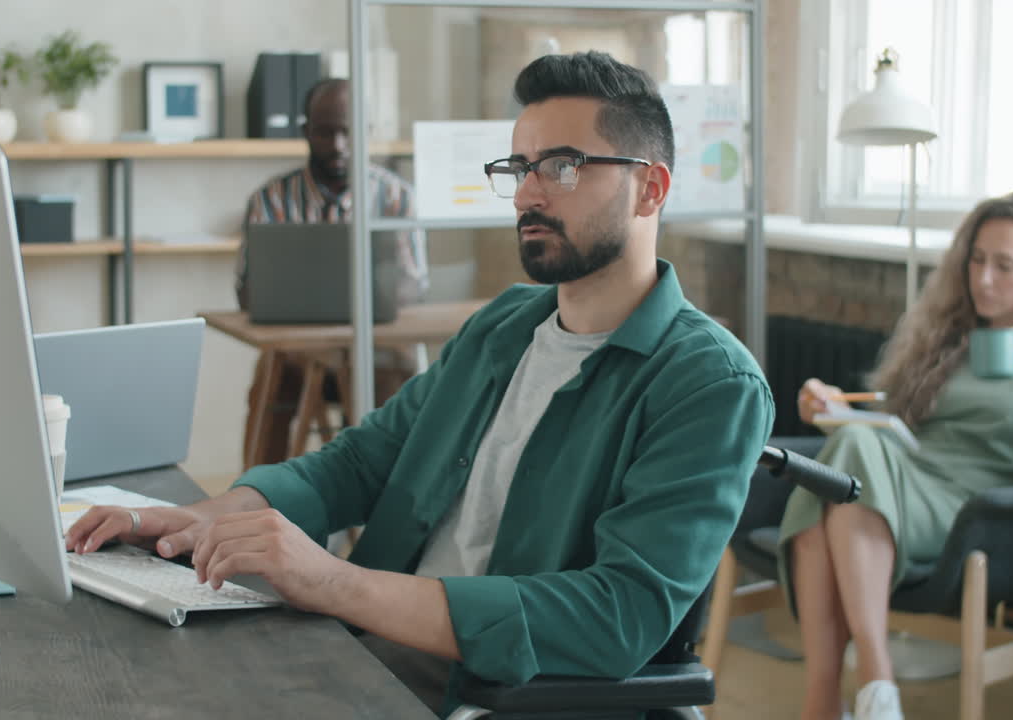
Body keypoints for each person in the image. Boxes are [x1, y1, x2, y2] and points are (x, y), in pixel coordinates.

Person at [68, 51, 773, 715]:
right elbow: (357, 464)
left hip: (473, 688)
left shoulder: (710, 383)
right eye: (520, 167)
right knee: (114, 668)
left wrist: (332, 581)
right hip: (357, 644)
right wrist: (201, 519)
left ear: (650, 187)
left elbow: (617, 616)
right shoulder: (503, 325)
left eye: (561, 166)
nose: (527, 192)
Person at [779, 191, 1013, 720]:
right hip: (904, 479)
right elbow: (896, 426)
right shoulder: (951, 345)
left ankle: (867, 681)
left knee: (838, 481)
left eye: (1005, 265)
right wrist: (837, 409)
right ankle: (839, 697)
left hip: (981, 511)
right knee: (839, 470)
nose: (984, 279)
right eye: (977, 260)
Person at [236, 76, 427, 466]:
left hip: (377, 350)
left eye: (348, 132)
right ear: (306, 131)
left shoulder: (395, 196)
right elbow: (248, 293)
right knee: (270, 379)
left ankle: (394, 502)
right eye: (325, 133)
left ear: (366, 133)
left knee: (400, 371)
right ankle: (252, 502)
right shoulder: (271, 199)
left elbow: (414, 283)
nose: (338, 146)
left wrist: (366, 298)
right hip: (296, 354)